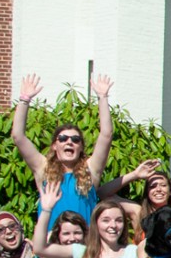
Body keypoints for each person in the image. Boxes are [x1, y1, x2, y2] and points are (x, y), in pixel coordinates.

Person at [11, 73, 113, 229]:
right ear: (54, 145)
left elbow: (106, 134)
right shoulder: (43, 169)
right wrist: (24, 99)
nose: (69, 142)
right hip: (51, 242)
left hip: (84, 242)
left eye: (75, 139)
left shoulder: (91, 170)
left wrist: (103, 98)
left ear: (81, 147)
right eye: (63, 138)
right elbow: (18, 136)